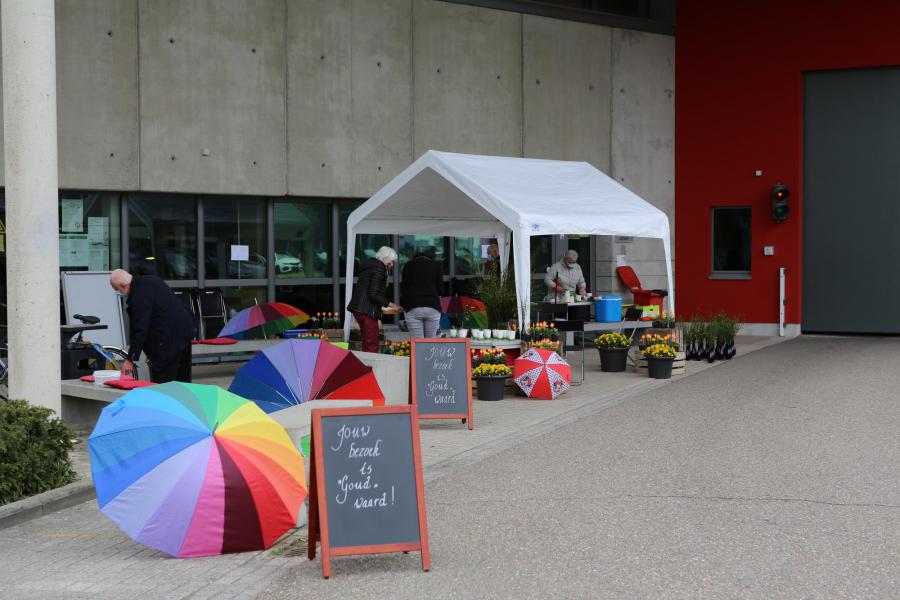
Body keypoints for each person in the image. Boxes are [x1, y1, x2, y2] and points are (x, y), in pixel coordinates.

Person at [109, 269, 196, 383]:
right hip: (185, 332)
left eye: (117, 289)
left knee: (163, 383)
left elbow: (140, 330)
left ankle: (165, 399)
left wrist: (130, 359)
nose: (118, 292)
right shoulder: (152, 280)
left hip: (168, 341)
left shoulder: (139, 297)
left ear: (124, 286)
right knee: (183, 380)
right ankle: (184, 399)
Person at [347, 247, 402, 353]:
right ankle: (371, 367)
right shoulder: (379, 269)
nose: (391, 265)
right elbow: (373, 294)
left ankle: (366, 366)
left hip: (358, 308)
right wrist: (391, 304)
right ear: (385, 258)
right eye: (391, 261)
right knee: (372, 343)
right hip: (367, 310)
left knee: (366, 341)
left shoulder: (369, 266)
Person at [400, 250, 443, 339]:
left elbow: (403, 288)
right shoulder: (436, 266)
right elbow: (441, 289)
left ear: (415, 259)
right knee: (430, 342)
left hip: (412, 306)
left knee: (417, 342)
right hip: (432, 306)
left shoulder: (408, 266)